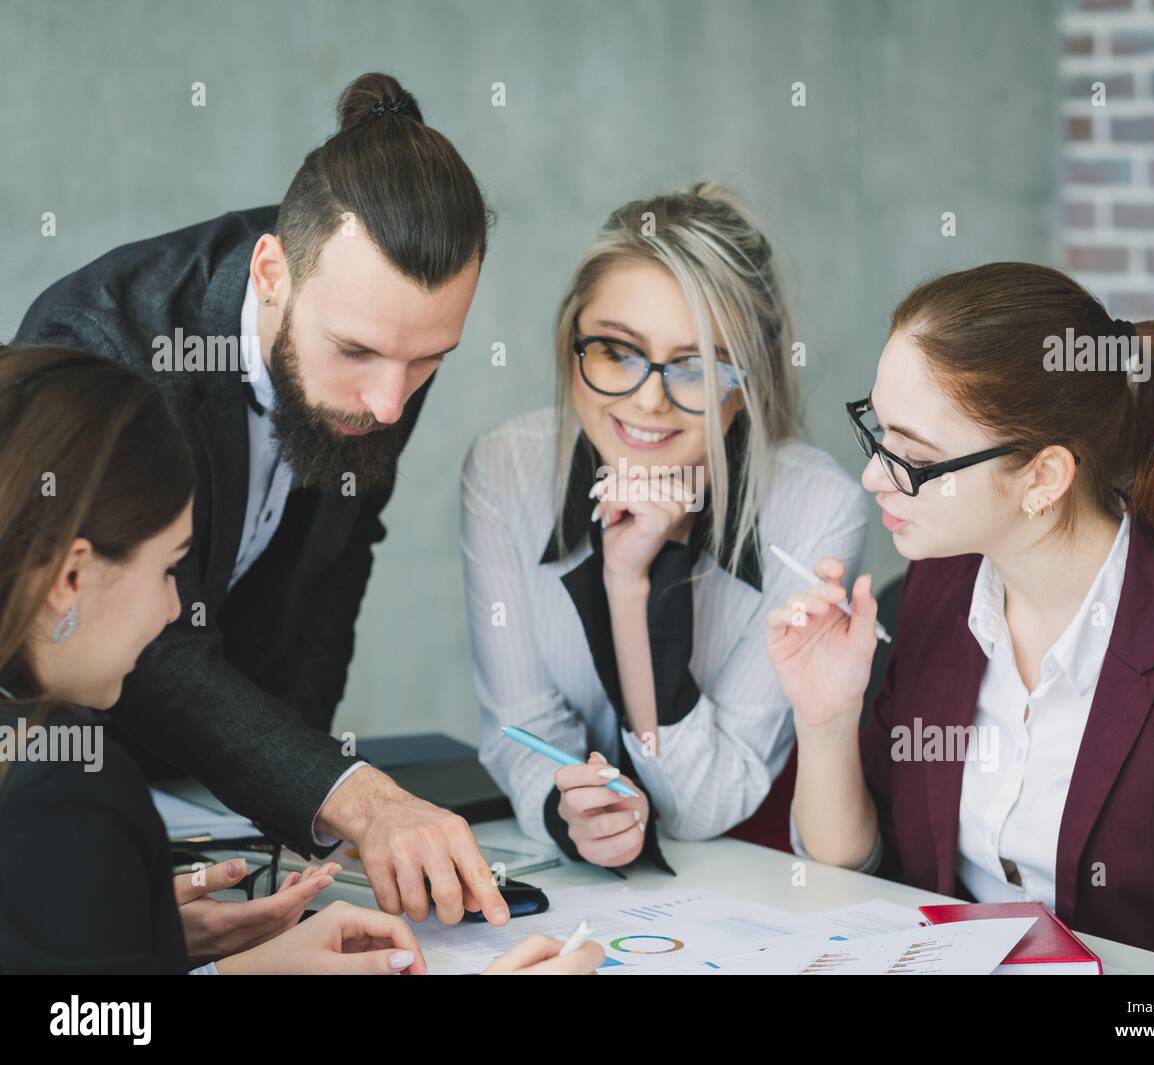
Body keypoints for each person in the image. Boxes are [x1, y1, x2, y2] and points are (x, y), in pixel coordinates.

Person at [12, 72, 510, 927]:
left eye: (431, 360)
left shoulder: (389, 341)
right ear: (272, 270)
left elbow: (335, 557)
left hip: (215, 818)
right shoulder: (109, 344)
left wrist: (301, 814)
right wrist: (353, 796)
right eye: (355, 351)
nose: (391, 402)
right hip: (59, 788)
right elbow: (124, 638)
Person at [0, 344, 603, 975]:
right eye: (168, 569)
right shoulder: (60, 787)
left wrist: (156, 945)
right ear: (71, 578)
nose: (176, 611)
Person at [766, 262, 1154, 972]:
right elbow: (859, 867)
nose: (873, 477)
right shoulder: (934, 592)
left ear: (1045, 477)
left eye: (914, 458)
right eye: (877, 432)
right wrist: (827, 718)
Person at [465, 184, 869, 869]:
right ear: (573, 347)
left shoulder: (818, 505)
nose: (649, 399)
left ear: (749, 381)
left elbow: (700, 805)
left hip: (746, 875)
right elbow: (520, 729)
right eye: (617, 351)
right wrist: (566, 808)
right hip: (578, 886)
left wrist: (630, 587)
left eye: (697, 366)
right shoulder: (505, 469)